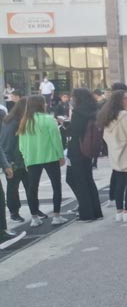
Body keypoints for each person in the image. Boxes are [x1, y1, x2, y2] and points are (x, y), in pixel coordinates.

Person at [17, 95, 67, 227]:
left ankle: (34, 217)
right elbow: (56, 140)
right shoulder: (48, 120)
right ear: (42, 105)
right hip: (50, 157)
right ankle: (56, 215)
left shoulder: (25, 121)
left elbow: (21, 145)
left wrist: (26, 157)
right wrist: (60, 155)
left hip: (32, 159)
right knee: (56, 185)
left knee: (32, 188)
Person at [98, 90, 127, 223]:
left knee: (119, 183)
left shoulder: (107, 116)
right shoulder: (124, 115)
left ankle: (119, 211)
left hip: (115, 152)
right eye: (126, 98)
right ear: (121, 100)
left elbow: (105, 136)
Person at [66, 89, 104, 223]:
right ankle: (95, 210)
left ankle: (87, 212)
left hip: (77, 148)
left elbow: (75, 131)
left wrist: (66, 126)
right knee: (87, 179)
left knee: (76, 179)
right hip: (89, 149)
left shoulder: (78, 112)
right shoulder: (94, 111)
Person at [1, 101, 38, 224]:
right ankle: (14, 212)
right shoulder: (12, 123)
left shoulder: (23, 121)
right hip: (14, 161)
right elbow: (6, 145)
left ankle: (35, 209)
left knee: (30, 186)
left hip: (25, 160)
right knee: (13, 188)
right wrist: (8, 163)